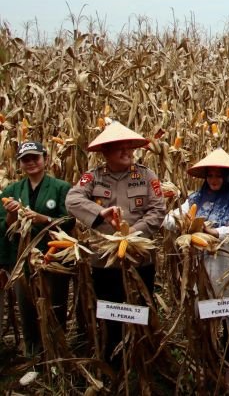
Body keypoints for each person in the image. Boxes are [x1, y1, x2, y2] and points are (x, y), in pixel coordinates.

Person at [66, 121, 166, 363]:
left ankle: (141, 356)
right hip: (104, 259)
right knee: (110, 307)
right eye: (120, 148)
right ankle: (113, 354)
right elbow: (72, 200)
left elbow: (158, 210)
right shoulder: (94, 177)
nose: (127, 152)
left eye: (129, 147)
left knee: (141, 305)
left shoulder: (145, 175)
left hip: (140, 256)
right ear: (106, 152)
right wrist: (99, 214)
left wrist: (131, 233)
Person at [0, 141, 73, 356]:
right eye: (25, 159)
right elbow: (4, 227)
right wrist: (13, 214)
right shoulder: (12, 190)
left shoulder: (61, 188)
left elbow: (69, 222)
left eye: (35, 158)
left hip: (52, 256)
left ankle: (56, 352)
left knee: (54, 304)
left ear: (45, 159)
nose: (31, 163)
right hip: (21, 258)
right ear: (20, 163)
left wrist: (44, 219)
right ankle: (33, 352)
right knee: (27, 306)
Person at [164, 148, 229, 297]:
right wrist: (182, 222)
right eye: (210, 175)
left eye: (218, 176)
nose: (213, 180)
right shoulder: (195, 198)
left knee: (225, 301)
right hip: (198, 260)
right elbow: (170, 220)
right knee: (201, 299)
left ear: (227, 177)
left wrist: (215, 232)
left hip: (225, 261)